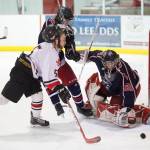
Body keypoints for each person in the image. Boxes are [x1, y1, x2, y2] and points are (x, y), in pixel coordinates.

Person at [0, 25, 72, 127]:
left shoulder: (48, 46)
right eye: (63, 39)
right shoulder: (51, 53)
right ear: (55, 40)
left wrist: (59, 88)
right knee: (4, 100)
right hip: (23, 72)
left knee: (37, 95)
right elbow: (48, 79)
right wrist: (60, 89)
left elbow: (46, 74)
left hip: (30, 72)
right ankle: (35, 117)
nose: (65, 42)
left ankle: (35, 118)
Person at [30, 6, 93, 120]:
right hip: (45, 61)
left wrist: (74, 54)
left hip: (59, 60)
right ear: (60, 17)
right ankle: (55, 106)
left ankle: (80, 106)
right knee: (50, 84)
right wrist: (62, 29)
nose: (68, 22)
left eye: (69, 20)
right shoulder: (50, 23)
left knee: (73, 83)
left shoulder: (68, 30)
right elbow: (46, 39)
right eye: (67, 19)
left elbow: (69, 52)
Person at [83, 49, 150, 127]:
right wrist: (78, 55)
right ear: (104, 62)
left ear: (117, 60)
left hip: (129, 88)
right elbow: (92, 54)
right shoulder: (101, 58)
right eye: (108, 63)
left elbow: (129, 92)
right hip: (111, 86)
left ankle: (144, 112)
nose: (111, 65)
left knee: (116, 110)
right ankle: (93, 105)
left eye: (113, 62)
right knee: (94, 96)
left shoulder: (123, 71)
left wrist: (127, 110)